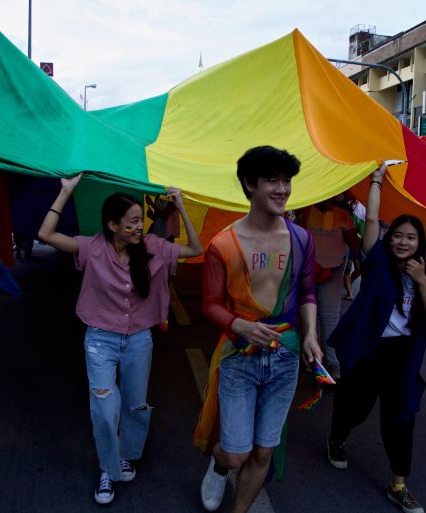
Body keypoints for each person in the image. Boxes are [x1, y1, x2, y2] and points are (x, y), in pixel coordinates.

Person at [37, 175, 202, 506]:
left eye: (141, 220)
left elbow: (195, 249)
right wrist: (66, 191)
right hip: (99, 342)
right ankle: (107, 468)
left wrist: (181, 207)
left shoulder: (153, 248)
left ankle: (125, 455)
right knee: (104, 408)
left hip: (139, 340)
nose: (139, 227)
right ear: (113, 225)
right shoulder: (93, 247)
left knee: (135, 405)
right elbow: (46, 235)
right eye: (132, 222)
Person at [196, 146, 321, 513]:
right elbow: (210, 304)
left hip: (285, 357)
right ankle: (220, 464)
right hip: (240, 357)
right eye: (272, 180)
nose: (282, 189)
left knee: (264, 450)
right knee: (237, 454)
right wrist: (240, 326)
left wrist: (310, 335)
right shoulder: (223, 245)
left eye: (287, 181)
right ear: (250, 185)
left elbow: (307, 292)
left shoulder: (302, 239)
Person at [326, 164, 426, 513]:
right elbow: (372, 219)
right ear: (389, 237)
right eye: (398, 235)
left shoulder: (422, 274)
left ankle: (399, 484)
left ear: (420, 243)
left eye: (410, 237)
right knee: (354, 406)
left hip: (403, 356)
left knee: (401, 417)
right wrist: (377, 181)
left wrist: (421, 280)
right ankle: (337, 439)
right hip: (369, 349)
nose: (403, 242)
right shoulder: (377, 261)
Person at [298, 195, 358, 379]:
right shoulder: (306, 212)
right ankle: (311, 359)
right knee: (308, 317)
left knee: (329, 317)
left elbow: (354, 244)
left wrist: (364, 263)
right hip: (308, 273)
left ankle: (333, 362)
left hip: (333, 272)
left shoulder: (342, 215)